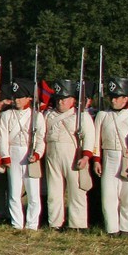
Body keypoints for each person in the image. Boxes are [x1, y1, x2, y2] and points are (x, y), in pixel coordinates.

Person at [0, 79, 44, 230]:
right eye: (15, 97)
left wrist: (37, 154)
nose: (17, 100)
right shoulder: (6, 115)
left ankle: (32, 224)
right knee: (14, 192)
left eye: (20, 97)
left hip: (30, 153)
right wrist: (5, 156)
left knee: (33, 193)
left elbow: (40, 138)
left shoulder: (36, 116)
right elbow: (2, 137)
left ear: (28, 98)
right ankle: (17, 223)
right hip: (13, 152)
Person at [42, 80, 93, 230]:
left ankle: (77, 224)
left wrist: (85, 156)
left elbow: (89, 137)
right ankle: (55, 222)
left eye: (64, 99)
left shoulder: (81, 116)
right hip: (52, 154)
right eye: (58, 98)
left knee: (76, 191)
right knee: (54, 192)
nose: (61, 102)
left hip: (73, 155)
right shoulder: (48, 115)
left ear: (73, 99)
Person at [92, 79, 128, 235]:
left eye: (117, 97)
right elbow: (96, 139)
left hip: (127, 157)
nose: (113, 100)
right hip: (108, 156)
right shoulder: (102, 115)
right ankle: (112, 228)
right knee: (108, 195)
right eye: (112, 97)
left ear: (125, 98)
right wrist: (96, 159)